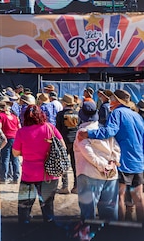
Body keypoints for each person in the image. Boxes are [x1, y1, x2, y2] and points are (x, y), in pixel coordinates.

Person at [76, 89, 144, 221]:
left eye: (111, 99)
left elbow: (109, 132)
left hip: (124, 161)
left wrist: (88, 134)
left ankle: (119, 230)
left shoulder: (117, 113)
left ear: (116, 101)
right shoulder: (137, 116)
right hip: (139, 162)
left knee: (120, 197)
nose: (109, 101)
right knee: (139, 198)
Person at [13, 102, 64, 223]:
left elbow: (15, 153)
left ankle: (23, 234)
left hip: (29, 174)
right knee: (48, 208)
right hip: (49, 174)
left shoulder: (22, 132)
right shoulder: (50, 128)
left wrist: (27, 152)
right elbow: (62, 147)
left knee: (24, 208)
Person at [73, 100, 120, 221]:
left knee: (88, 212)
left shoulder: (82, 132)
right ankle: (111, 237)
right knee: (110, 211)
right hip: (110, 175)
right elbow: (116, 147)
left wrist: (102, 166)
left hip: (89, 174)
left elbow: (88, 153)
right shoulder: (104, 129)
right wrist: (112, 163)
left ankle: (88, 238)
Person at [56, 94, 80, 194]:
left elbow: (58, 129)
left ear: (65, 103)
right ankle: (76, 186)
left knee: (64, 163)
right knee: (75, 164)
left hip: (64, 140)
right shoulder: (77, 113)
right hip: (75, 140)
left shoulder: (60, 114)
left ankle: (65, 186)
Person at [0, 99, 21, 183]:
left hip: (6, 138)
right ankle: (16, 177)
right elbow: (19, 127)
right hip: (15, 137)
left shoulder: (0, 116)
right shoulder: (14, 116)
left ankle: (3, 178)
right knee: (15, 158)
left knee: (5, 158)